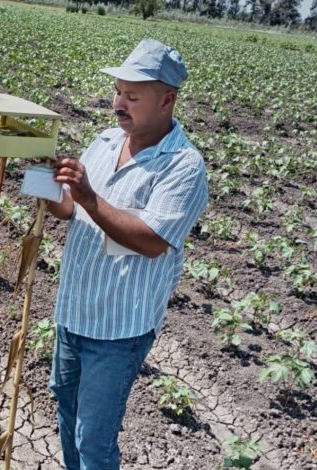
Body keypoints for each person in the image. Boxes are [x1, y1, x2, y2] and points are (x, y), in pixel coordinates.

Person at [47, 38, 209, 470]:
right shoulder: (102, 141)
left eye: (132, 96)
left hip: (119, 328)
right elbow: (64, 207)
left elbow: (152, 239)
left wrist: (90, 198)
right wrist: (35, 173)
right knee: (66, 418)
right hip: (73, 311)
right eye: (118, 91)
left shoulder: (183, 166)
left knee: (94, 442)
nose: (119, 103)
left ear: (166, 100)